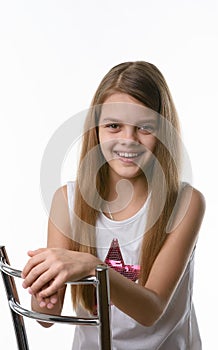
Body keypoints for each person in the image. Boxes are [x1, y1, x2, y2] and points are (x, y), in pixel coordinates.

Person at [22, 61, 205, 350]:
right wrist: (44, 293)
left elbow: (151, 310)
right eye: (113, 126)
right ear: (96, 130)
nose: (128, 141)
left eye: (144, 128)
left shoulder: (185, 203)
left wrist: (95, 267)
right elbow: (46, 318)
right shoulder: (66, 201)